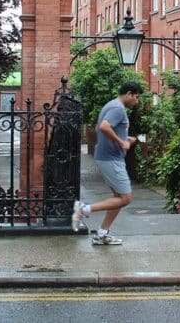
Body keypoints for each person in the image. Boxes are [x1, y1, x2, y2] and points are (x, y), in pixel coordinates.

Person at [72, 80, 143, 245]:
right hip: (111, 159)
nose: (136, 101)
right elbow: (104, 127)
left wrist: (126, 138)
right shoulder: (118, 108)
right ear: (129, 94)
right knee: (126, 198)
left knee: (117, 196)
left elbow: (98, 128)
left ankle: (102, 233)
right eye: (136, 97)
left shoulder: (110, 105)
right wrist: (121, 142)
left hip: (108, 157)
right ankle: (83, 210)